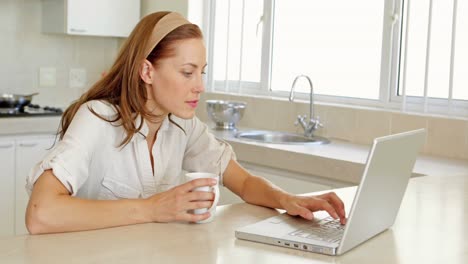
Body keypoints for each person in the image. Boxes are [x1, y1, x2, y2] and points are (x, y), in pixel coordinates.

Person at [25, 11, 346, 234]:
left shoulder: (181, 125)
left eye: (201, 72)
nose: (200, 86)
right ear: (147, 71)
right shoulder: (98, 118)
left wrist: (288, 199)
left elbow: (244, 183)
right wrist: (153, 208)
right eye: (187, 72)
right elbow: (41, 214)